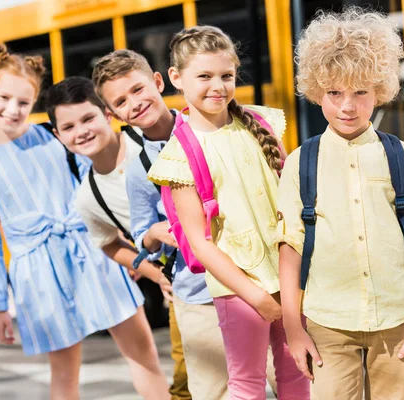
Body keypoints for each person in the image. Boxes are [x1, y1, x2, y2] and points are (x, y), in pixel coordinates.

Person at [0, 44, 144, 400]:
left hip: (91, 252)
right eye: (4, 98)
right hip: (39, 275)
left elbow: (94, 184)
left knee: (141, 353)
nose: (12, 109)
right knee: (64, 375)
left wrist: (122, 243)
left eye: (24, 102)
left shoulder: (54, 135)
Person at [277, 8, 404, 400]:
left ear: (379, 89)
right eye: (335, 93)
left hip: (397, 318)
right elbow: (289, 245)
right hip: (327, 322)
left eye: (360, 92)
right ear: (317, 91)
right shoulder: (301, 162)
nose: (347, 106)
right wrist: (292, 327)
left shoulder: (401, 155)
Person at [146, 26, 310, 400]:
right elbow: (200, 244)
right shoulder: (179, 155)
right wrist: (256, 297)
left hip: (289, 275)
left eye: (226, 76)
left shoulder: (261, 124)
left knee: (300, 372)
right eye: (203, 76)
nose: (217, 86)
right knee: (246, 384)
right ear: (175, 78)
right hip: (240, 289)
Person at [91, 48, 229, 400]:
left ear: (158, 81)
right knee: (205, 387)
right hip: (194, 288)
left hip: (244, 271)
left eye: (138, 90)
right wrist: (154, 233)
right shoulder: (138, 167)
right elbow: (140, 233)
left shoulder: (207, 126)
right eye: (121, 101)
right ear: (113, 113)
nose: (134, 103)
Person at [44, 76, 171, 399]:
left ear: (108, 115)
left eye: (88, 118)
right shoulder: (88, 197)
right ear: (59, 136)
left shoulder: (147, 141)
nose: (81, 131)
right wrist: (158, 276)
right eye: (69, 127)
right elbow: (109, 244)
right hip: (183, 281)